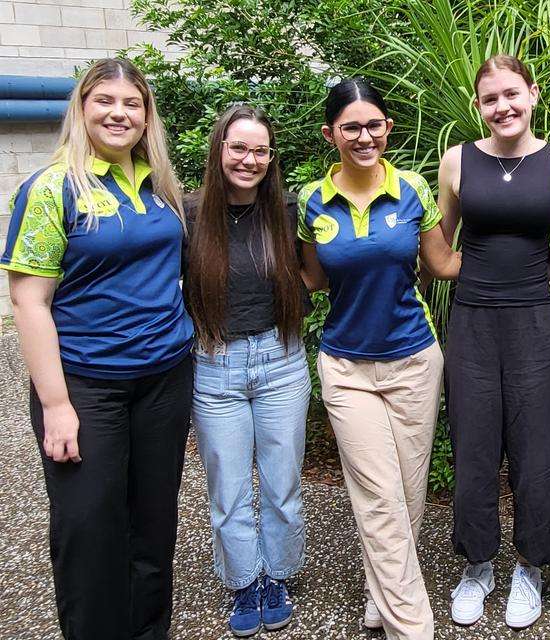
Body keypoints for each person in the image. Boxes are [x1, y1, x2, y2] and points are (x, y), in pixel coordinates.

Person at [1, 58, 193, 639]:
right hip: (86, 386)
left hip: (164, 378)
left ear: (146, 116)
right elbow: (30, 303)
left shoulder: (159, 185)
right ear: (81, 109)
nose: (119, 113)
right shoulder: (51, 188)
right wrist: (56, 405)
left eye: (132, 103)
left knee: (153, 528)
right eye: (105, 101)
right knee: (89, 533)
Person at [298, 78, 460, 640]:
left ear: (388, 128)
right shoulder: (311, 201)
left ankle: (381, 596)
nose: (364, 136)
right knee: (378, 494)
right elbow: (312, 279)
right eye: (351, 127)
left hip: (415, 357)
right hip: (346, 366)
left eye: (374, 125)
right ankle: (411, 626)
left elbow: (441, 263)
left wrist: (518, 258)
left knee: (409, 495)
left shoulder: (413, 187)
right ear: (330, 134)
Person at [436, 54, 550, 629]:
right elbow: (439, 244)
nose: (504, 106)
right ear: (479, 106)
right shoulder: (457, 161)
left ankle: (531, 567)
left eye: (513, 94)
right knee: (473, 446)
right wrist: (478, 274)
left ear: (533, 94)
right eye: (491, 99)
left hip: (535, 321)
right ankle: (477, 566)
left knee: (538, 445)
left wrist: (524, 278)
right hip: (471, 320)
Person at [184, 105, 311, 637]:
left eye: (260, 150)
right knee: (229, 488)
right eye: (239, 147)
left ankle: (278, 574)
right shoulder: (188, 214)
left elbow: (315, 272)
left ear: (271, 157)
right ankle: (244, 580)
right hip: (216, 365)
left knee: (282, 483)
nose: (249, 159)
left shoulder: (287, 209)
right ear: (219, 149)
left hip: (282, 359)